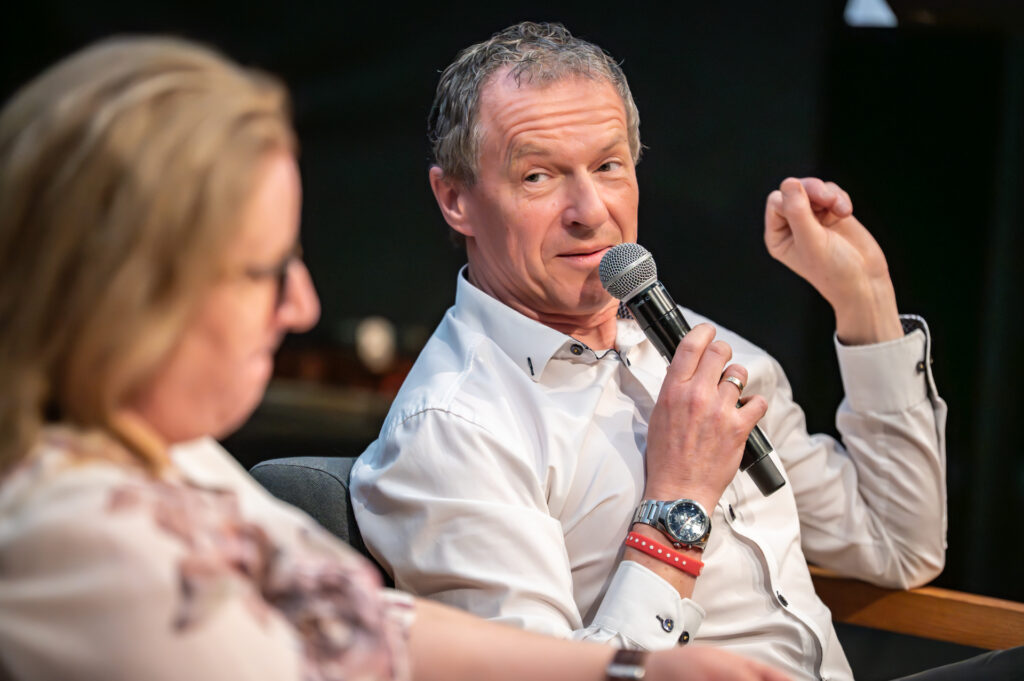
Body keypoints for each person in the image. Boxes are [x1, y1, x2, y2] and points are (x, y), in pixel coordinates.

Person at [0, 36, 791, 681]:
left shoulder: (171, 458)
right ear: (125, 292)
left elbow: (377, 626)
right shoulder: (74, 543)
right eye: (264, 271)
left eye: (610, 164)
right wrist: (672, 523)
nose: (303, 306)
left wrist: (630, 667)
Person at [350, 21, 956, 681]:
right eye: (538, 176)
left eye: (608, 166)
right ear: (455, 199)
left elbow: (899, 546)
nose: (590, 210)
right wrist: (678, 500)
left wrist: (865, 300)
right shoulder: (454, 429)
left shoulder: (699, 345)